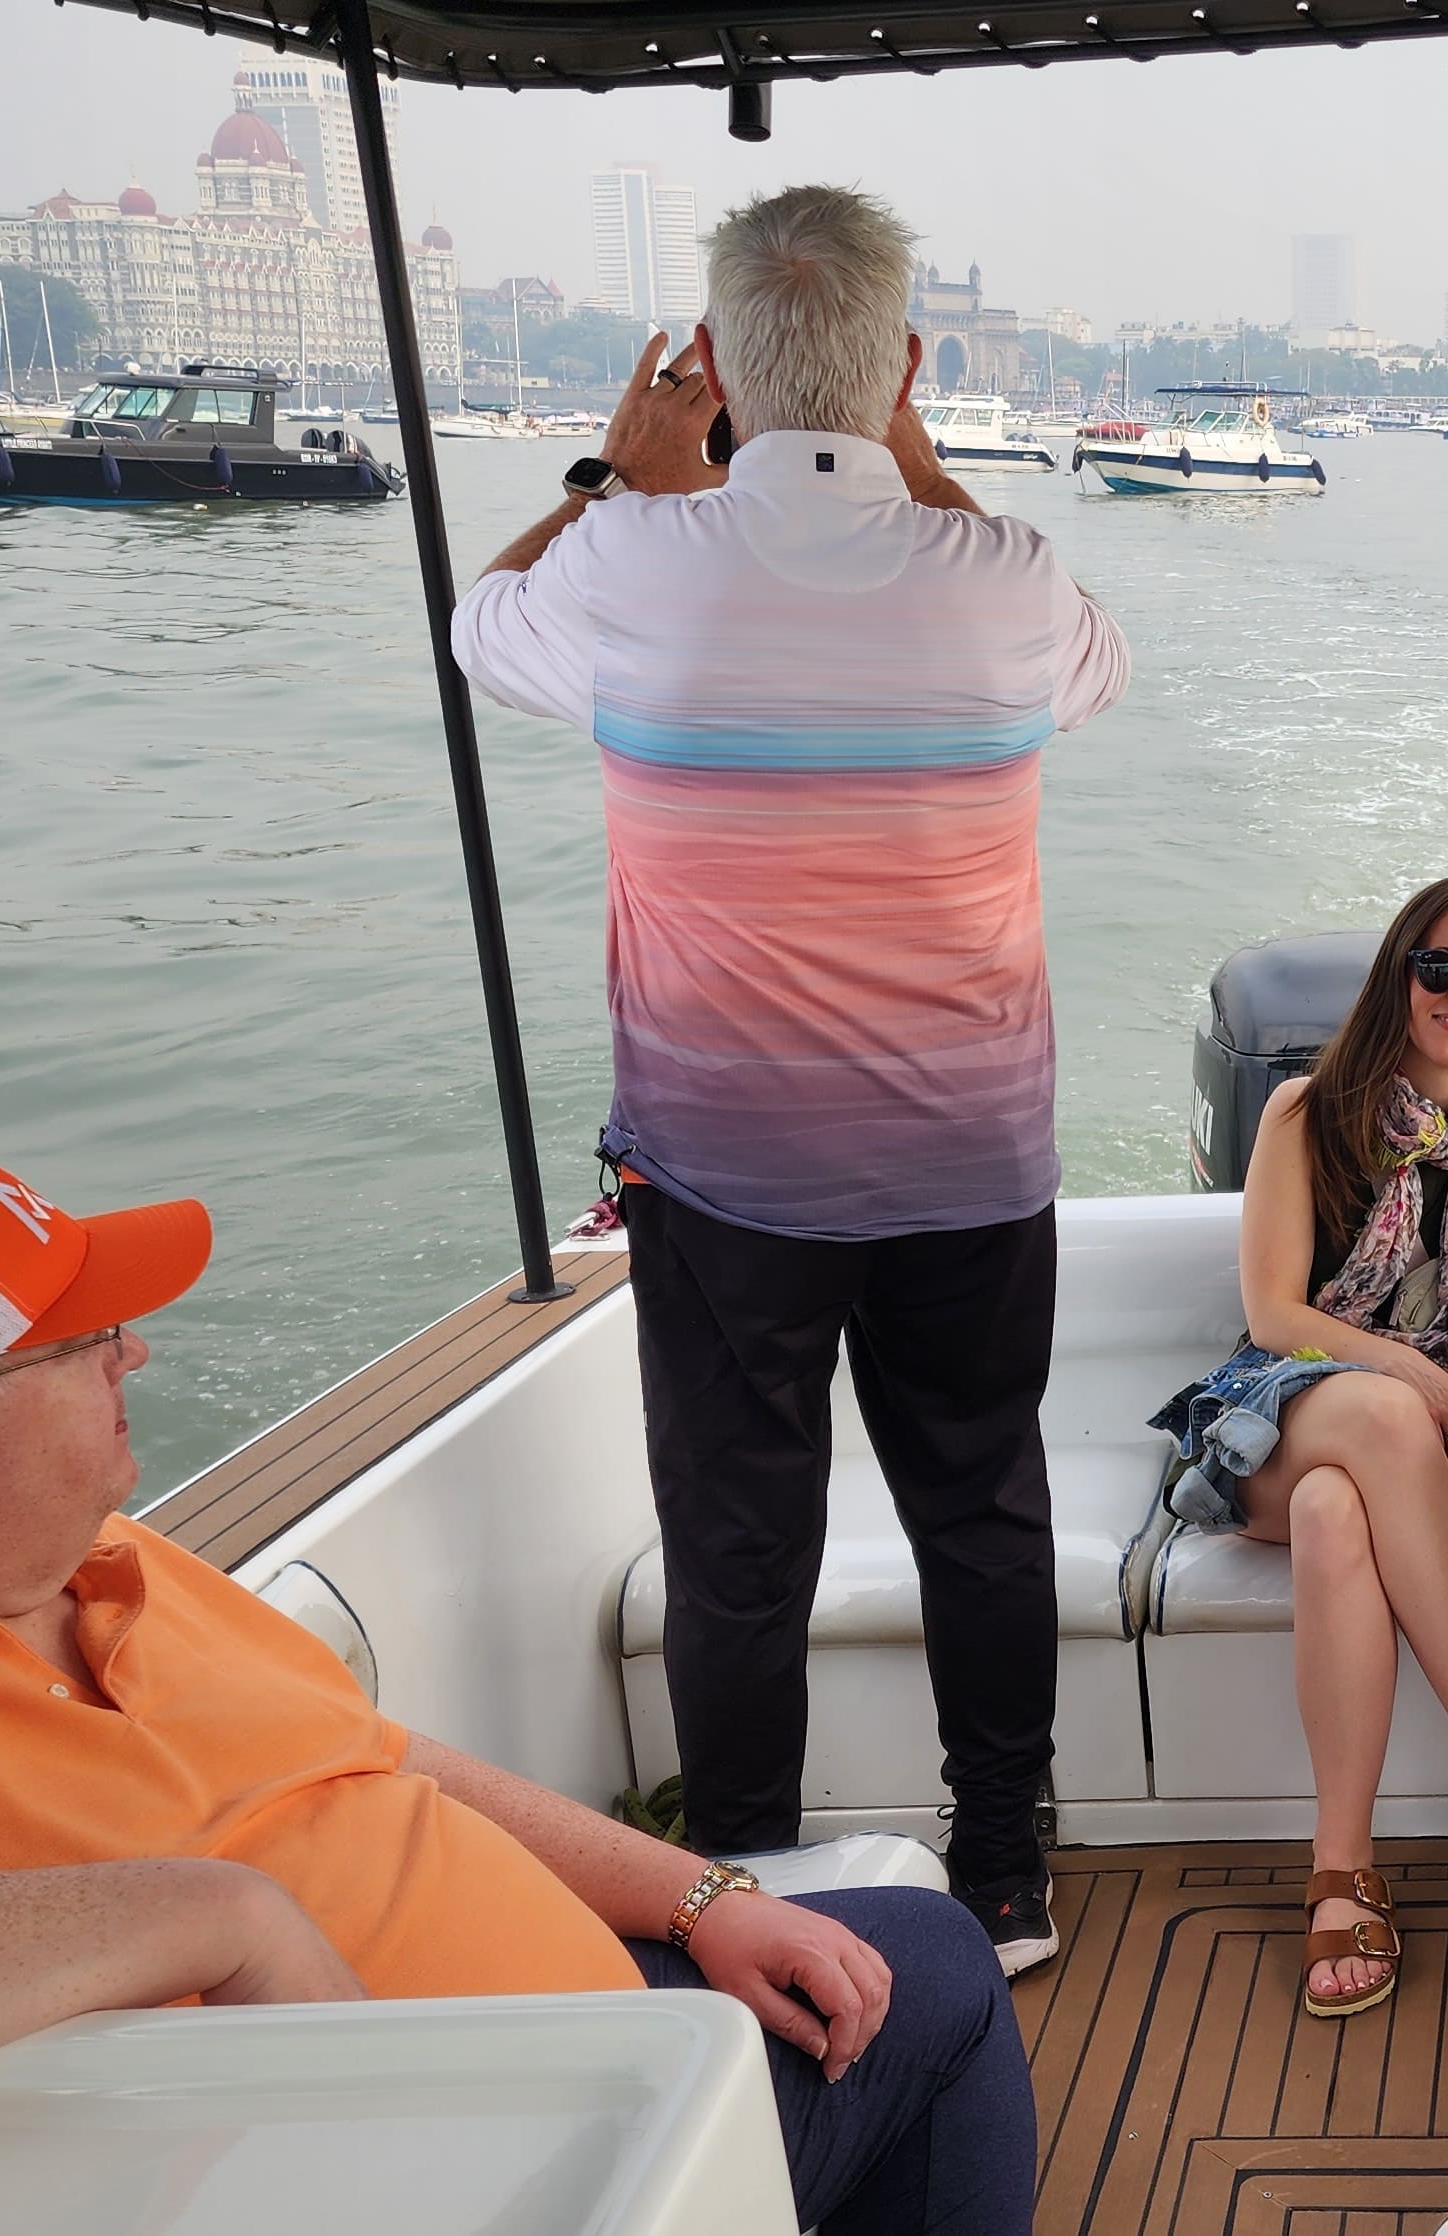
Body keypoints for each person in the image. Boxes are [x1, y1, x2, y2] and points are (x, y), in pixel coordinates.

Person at [0, 1145, 1034, 2229]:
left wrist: (698, 1899)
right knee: (944, 1977)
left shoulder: (96, 1556)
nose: (136, 1356)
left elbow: (378, 1760)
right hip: (500, 2173)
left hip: (590, 2039)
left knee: (892, 1943)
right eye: (85, 1340)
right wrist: (205, 1912)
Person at [452, 184, 1130, 1975]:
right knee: (981, 1507)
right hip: (970, 1160)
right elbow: (1092, 671)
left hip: (723, 1174)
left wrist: (613, 478)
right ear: (904, 362)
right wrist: (915, 453)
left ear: (712, 362)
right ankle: (1003, 1869)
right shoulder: (1008, 576)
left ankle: (739, 1886)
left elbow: (478, 621)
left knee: (739, 1536)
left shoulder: (628, 560)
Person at [1151, 876, 1448, 2020]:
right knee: (1376, 1417)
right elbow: (1276, 1313)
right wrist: (1409, 1371)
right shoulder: (1306, 1111)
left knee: (1335, 1512)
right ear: (1401, 975)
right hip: (1282, 1401)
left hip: (1369, 1466)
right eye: (1442, 966)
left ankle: (1342, 1866)